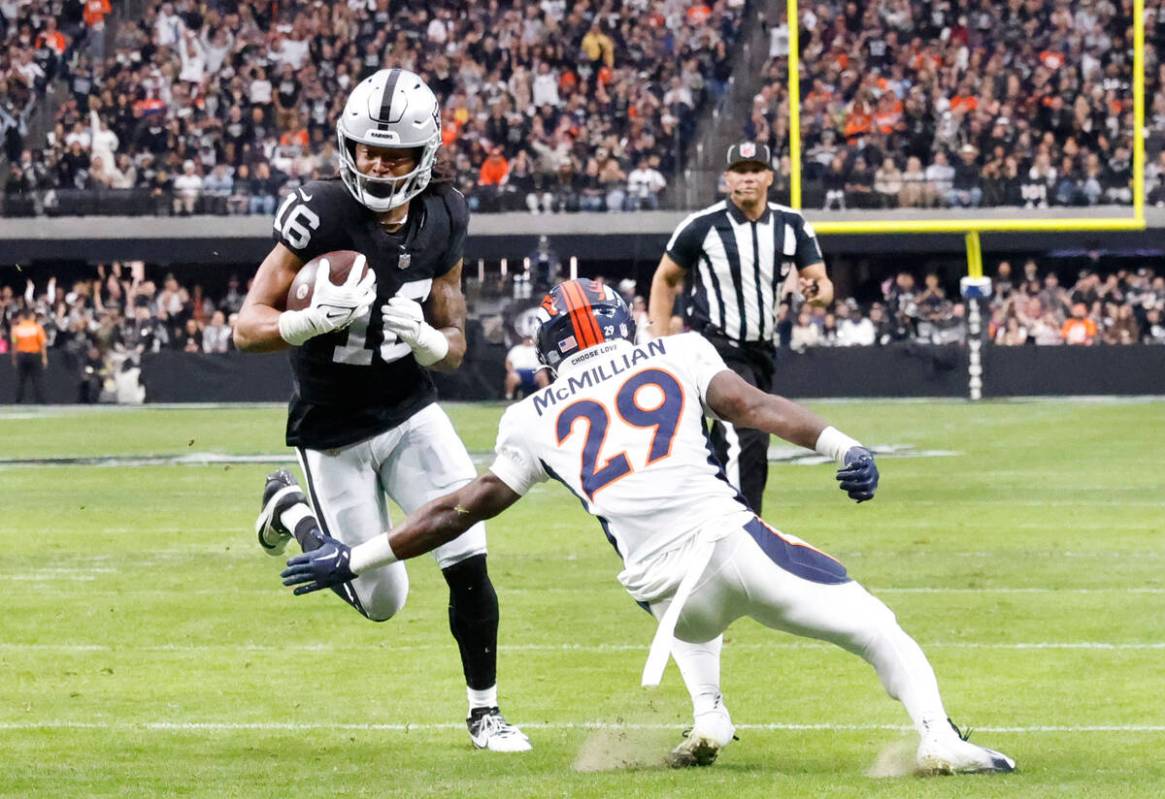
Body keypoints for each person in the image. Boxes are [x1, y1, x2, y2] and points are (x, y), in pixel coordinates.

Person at [280, 279, 1016, 776]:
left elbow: (458, 507)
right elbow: (752, 408)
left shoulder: (531, 415)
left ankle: (710, 715)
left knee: (690, 612)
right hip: (728, 546)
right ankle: (938, 737)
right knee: (875, 626)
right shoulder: (677, 348)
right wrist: (841, 444)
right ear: (619, 321)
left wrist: (359, 554)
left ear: (550, 348)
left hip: (661, 594)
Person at [233, 68, 530, 753]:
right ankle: (291, 510)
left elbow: (454, 348)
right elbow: (246, 325)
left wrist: (427, 339)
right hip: (331, 428)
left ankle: (484, 710)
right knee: (381, 600)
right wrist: (301, 323)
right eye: (367, 149)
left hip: (407, 410)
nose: (376, 163)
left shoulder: (446, 213)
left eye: (393, 154)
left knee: (468, 544)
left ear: (424, 156)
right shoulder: (320, 211)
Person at [648, 141, 834, 515]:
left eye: (754, 170)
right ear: (727, 178)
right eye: (739, 171)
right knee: (747, 437)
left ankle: (701, 519)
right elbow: (665, 278)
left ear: (769, 176)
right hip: (716, 347)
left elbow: (822, 285)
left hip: (762, 351)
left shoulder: (791, 225)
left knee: (730, 446)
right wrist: (659, 338)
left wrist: (815, 293)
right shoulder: (703, 226)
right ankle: (745, 534)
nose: (747, 178)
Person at [11, 306, 48, 403]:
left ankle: (17, 401)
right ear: (31, 316)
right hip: (35, 355)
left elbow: (14, 344)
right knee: (37, 379)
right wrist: (44, 357)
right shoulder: (37, 328)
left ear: (22, 316)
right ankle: (41, 401)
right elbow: (43, 343)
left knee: (20, 380)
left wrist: (14, 358)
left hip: (21, 355)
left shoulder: (17, 329)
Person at [503, 334, 548, 400]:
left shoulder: (536, 349)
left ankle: (546, 396)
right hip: (519, 372)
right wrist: (511, 371)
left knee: (543, 375)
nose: (527, 341)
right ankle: (509, 397)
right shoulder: (516, 349)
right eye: (526, 339)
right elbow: (508, 362)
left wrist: (543, 369)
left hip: (535, 371)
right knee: (511, 376)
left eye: (529, 339)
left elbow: (544, 362)